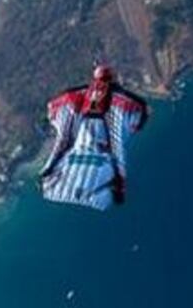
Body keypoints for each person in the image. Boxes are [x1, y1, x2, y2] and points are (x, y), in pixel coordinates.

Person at [39, 64, 148, 210]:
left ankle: (50, 177)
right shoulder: (119, 100)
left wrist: (47, 170)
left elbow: (59, 131)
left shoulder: (76, 95)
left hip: (80, 144)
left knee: (65, 148)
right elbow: (119, 145)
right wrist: (120, 187)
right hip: (98, 147)